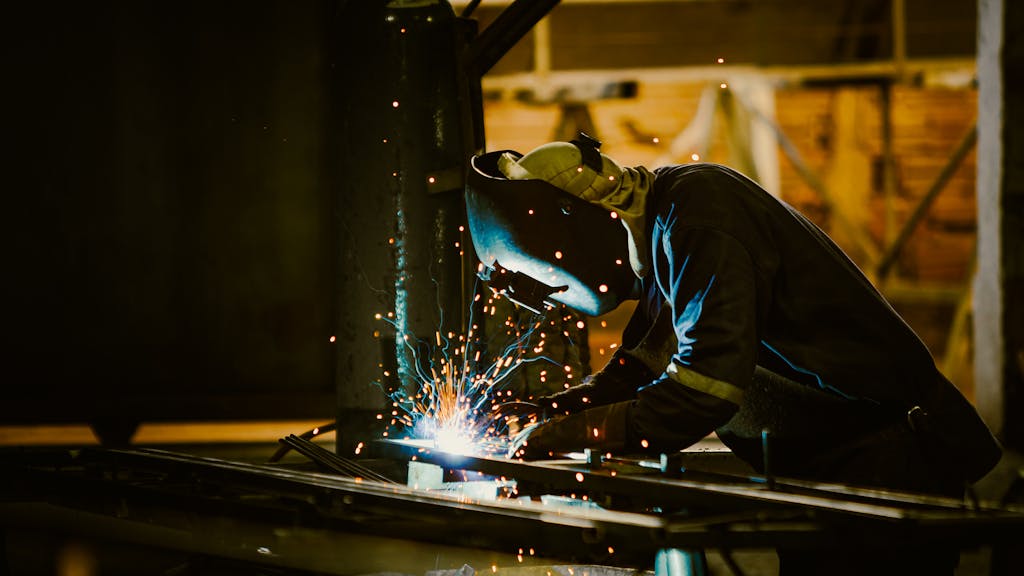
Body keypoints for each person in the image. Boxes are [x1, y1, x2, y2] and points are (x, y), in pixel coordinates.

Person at [464, 134, 1002, 575]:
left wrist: (572, 436)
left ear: (573, 225)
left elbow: (702, 389)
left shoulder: (698, 219)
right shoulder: (661, 226)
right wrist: (547, 412)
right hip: (826, 471)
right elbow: (640, 366)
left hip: (885, 468)